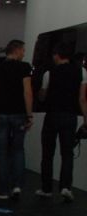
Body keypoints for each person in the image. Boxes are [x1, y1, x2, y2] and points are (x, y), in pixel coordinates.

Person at [36, 42, 87, 202]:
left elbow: (42, 97)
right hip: (70, 116)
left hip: (52, 116)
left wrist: (41, 91)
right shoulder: (82, 71)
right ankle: (65, 187)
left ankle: (46, 189)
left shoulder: (49, 73)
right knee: (67, 154)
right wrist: (86, 119)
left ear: (57, 55)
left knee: (47, 154)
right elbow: (82, 99)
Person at [0, 39, 33, 200]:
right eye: (23, 50)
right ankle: (17, 185)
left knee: (1, 152)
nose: (24, 53)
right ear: (17, 50)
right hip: (19, 113)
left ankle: (2, 190)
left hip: (0, 113)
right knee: (18, 149)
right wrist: (29, 114)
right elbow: (27, 92)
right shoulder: (24, 67)